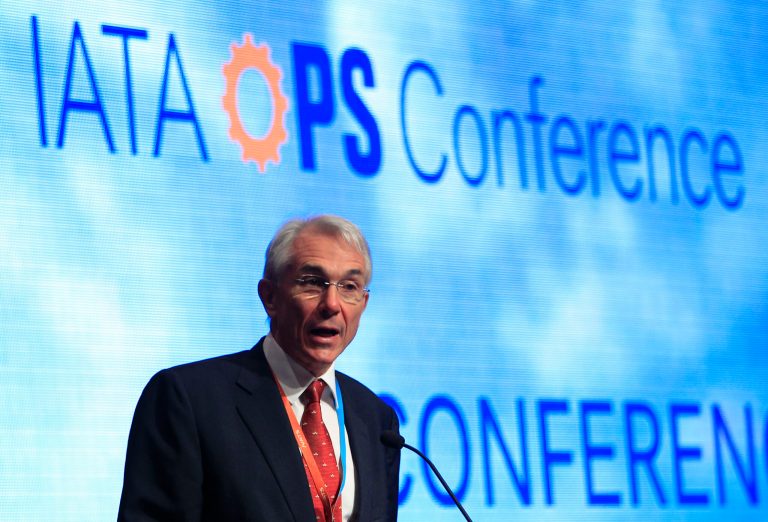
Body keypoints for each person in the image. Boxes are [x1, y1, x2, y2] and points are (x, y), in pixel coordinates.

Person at [118, 215, 400, 521]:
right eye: (313, 283)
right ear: (269, 297)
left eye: (349, 286)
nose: (332, 304)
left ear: (364, 303)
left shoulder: (376, 420)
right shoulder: (189, 399)